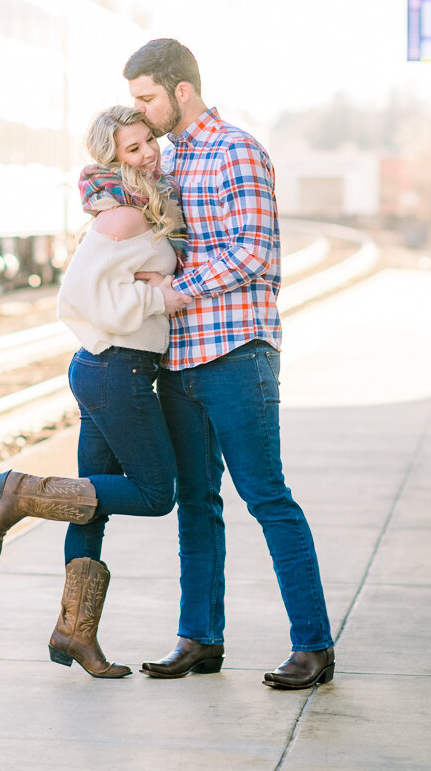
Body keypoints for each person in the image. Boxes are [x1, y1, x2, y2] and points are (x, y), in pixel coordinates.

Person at [123, 38, 335, 689]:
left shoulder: (236, 150)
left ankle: (313, 646)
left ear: (180, 91)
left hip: (237, 353)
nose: (140, 109)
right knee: (195, 503)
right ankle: (199, 638)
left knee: (266, 497)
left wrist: (175, 291)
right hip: (180, 357)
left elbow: (255, 254)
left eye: (146, 98)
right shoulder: (172, 161)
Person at [0, 105, 189, 679]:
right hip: (115, 370)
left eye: (149, 141)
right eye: (132, 149)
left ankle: (76, 635)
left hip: (110, 368)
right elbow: (74, 298)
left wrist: (155, 278)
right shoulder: (122, 217)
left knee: (89, 506)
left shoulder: (142, 205)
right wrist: (159, 296)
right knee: (154, 492)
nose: (147, 152)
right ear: (111, 158)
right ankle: (19, 492)